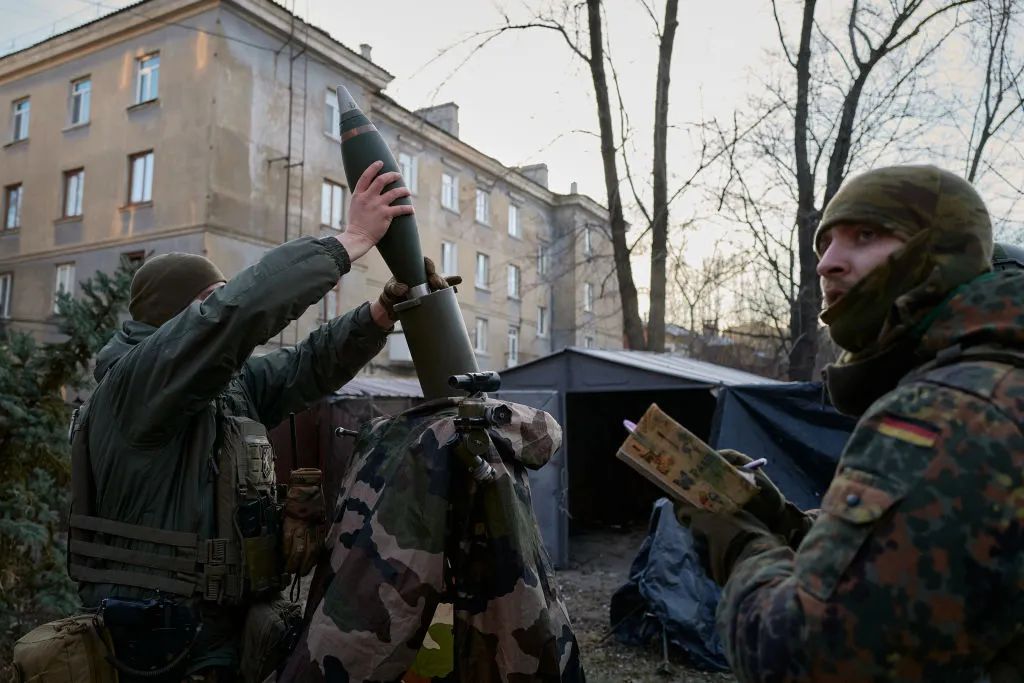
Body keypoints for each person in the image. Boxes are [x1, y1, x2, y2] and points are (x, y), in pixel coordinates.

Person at [66, 161, 451, 682]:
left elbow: (305, 366)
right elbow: (236, 315)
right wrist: (349, 240)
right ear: (171, 322)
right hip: (159, 645)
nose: (218, 313)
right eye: (206, 302)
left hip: (222, 636)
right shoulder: (135, 389)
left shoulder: (226, 390)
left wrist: (380, 313)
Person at [681, 165, 1024, 682]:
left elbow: (807, 659)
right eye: (826, 244)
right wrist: (776, 517)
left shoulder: (948, 411)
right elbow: (908, 568)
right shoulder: (992, 380)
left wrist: (737, 539)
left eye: (866, 236)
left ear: (941, 253)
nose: (828, 264)